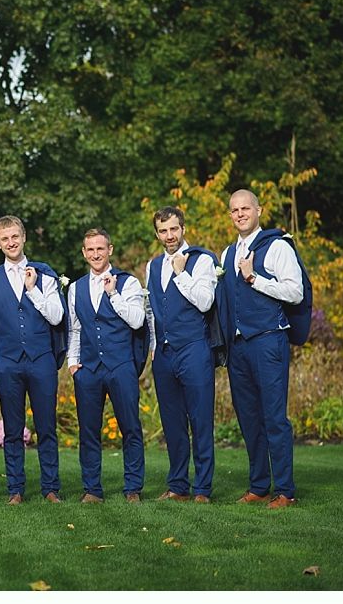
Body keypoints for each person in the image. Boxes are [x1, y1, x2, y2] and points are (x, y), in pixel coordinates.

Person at [218, 189, 304, 509]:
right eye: (234, 210)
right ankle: (258, 485)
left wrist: (255, 279)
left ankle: (285, 490)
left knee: (274, 417)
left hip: (269, 340)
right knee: (249, 418)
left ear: (259, 210)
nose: (240, 214)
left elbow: (294, 292)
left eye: (246, 208)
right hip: (238, 347)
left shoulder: (277, 246)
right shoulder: (227, 253)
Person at [0, 215, 63, 505]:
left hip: (41, 361)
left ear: (23, 238)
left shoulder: (44, 274)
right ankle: (16, 489)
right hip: (8, 363)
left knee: (47, 426)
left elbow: (56, 316)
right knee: (12, 429)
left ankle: (50, 487)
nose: (11, 242)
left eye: (15, 236)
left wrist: (33, 290)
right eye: (5, 239)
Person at [67, 228, 146, 504]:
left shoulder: (129, 283)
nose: (95, 254)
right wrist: (73, 363)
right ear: (84, 253)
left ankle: (133, 488)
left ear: (109, 250)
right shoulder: (75, 288)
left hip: (120, 365)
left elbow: (137, 321)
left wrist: (113, 295)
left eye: (100, 248)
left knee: (130, 427)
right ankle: (92, 489)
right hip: (88, 369)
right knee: (88, 430)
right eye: (90, 249)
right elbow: (75, 329)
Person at [144, 208, 217, 503]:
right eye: (163, 231)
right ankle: (177, 486)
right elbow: (151, 311)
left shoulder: (202, 261)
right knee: (172, 423)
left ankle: (202, 489)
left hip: (194, 349)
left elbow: (205, 302)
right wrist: (151, 347)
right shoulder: (152, 265)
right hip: (163, 353)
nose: (169, 236)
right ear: (157, 234)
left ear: (183, 228)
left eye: (174, 229)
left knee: (200, 420)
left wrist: (181, 274)